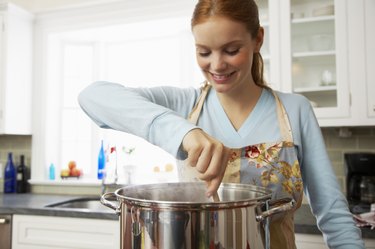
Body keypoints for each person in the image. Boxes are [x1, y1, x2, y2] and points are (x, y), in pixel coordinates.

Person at [78, 0, 365, 248]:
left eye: (230, 50)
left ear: (258, 40)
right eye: (204, 52)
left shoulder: (296, 110)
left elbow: (331, 211)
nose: (216, 65)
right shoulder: (184, 105)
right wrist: (185, 133)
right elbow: (93, 97)